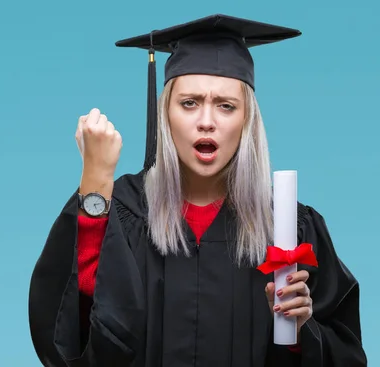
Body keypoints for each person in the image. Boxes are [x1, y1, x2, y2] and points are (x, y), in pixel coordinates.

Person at [28, 14, 367, 367]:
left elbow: (346, 355)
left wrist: (302, 333)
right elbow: (68, 336)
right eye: (189, 103)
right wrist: (95, 184)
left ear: (247, 121)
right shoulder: (121, 209)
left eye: (226, 105)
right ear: (166, 114)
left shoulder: (289, 228)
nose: (207, 121)